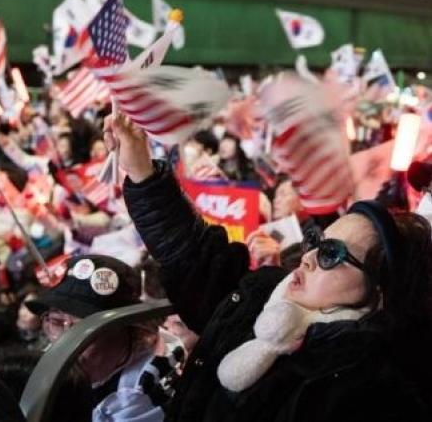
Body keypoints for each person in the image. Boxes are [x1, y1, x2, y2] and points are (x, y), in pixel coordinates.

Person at [106, 113, 432, 421]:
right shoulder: (262, 295)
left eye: (331, 254)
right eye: (316, 243)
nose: (308, 258)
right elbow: (196, 257)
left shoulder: (373, 388)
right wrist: (143, 172)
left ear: (380, 292)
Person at [26, 254, 176, 422]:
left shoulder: (141, 389)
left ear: (126, 331)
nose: (65, 340)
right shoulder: (53, 358)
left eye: (82, 329)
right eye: (56, 321)